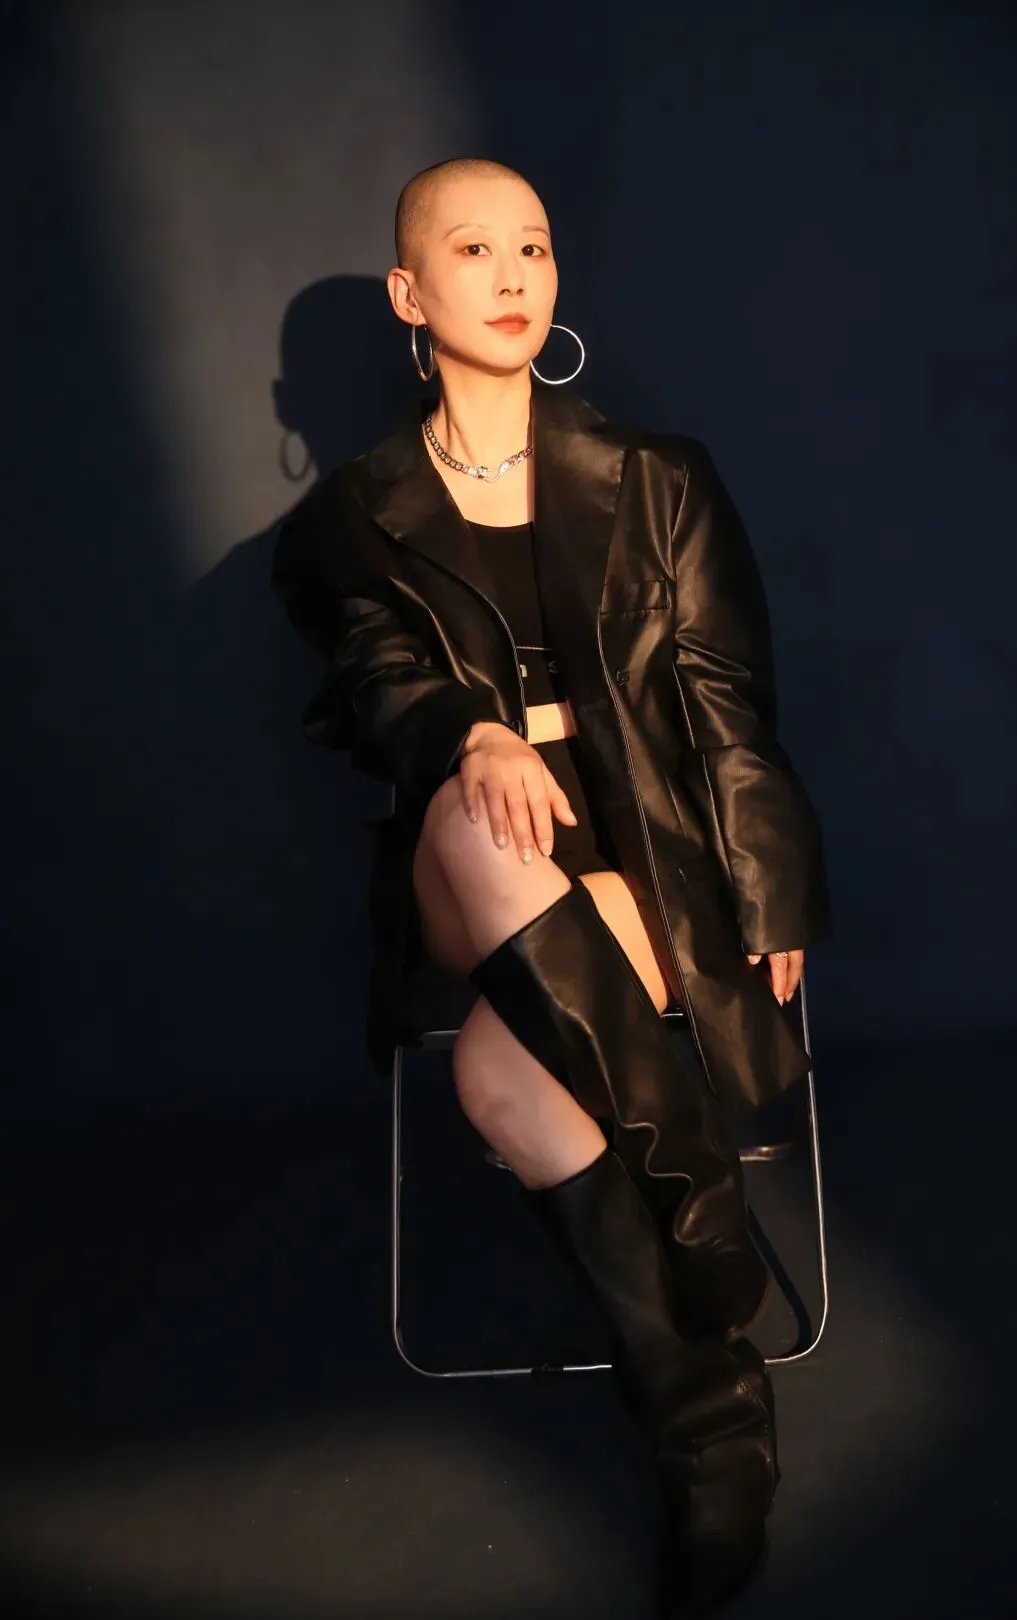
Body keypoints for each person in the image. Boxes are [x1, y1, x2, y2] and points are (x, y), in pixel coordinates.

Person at [271, 157, 831, 1615]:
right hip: (473, 864)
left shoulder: (657, 480)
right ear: (412, 294)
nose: (514, 273)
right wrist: (472, 732)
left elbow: (724, 703)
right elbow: (379, 684)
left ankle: (713, 1435)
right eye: (474, 249)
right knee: (478, 806)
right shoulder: (358, 515)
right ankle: (701, 1194)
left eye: (532, 245)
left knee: (500, 1086)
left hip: (644, 855)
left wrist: (769, 886)